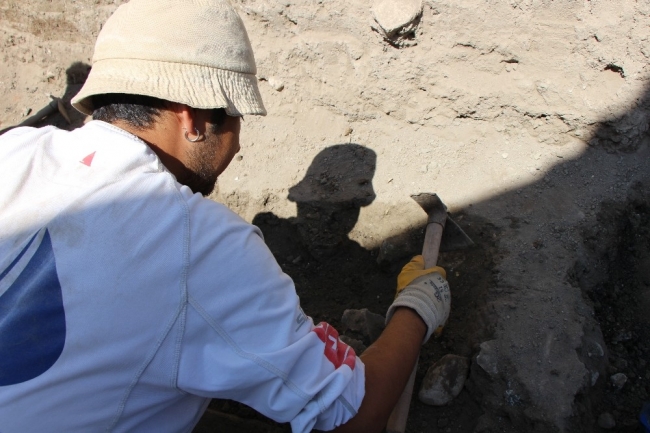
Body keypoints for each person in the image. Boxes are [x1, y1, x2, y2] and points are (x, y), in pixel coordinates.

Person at [0, 0, 451, 432]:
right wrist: (415, 310)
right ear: (192, 119)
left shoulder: (15, 150)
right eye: (236, 118)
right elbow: (353, 414)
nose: (236, 145)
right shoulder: (199, 243)